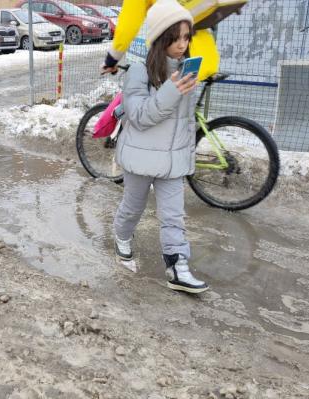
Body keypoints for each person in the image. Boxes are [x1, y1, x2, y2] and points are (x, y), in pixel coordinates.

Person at [113, 0, 209, 293]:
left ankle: (177, 266)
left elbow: (181, 121)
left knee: (173, 216)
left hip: (172, 162)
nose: (182, 44)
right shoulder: (138, 73)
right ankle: (122, 237)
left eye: (186, 37)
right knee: (133, 207)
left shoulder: (186, 71)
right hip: (141, 158)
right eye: (175, 38)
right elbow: (140, 117)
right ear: (160, 39)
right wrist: (171, 90)